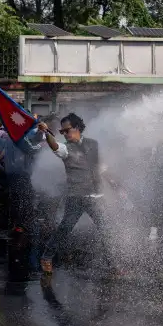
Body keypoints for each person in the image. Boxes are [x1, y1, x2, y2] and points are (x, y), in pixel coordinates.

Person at [39, 113, 114, 274]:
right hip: (76, 197)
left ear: (78, 128)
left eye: (67, 131)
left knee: (106, 229)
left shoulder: (93, 144)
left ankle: (114, 265)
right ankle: (46, 256)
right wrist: (46, 133)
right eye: (62, 132)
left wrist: (114, 184)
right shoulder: (66, 148)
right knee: (65, 228)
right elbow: (55, 147)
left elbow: (101, 167)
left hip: (95, 196)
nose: (65, 134)